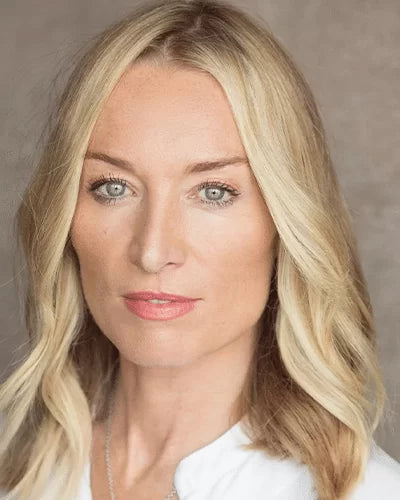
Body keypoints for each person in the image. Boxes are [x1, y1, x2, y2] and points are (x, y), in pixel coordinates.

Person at [0, 0, 399, 499]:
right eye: (113, 187)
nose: (153, 251)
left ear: (287, 221)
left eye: (213, 192)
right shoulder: (20, 476)